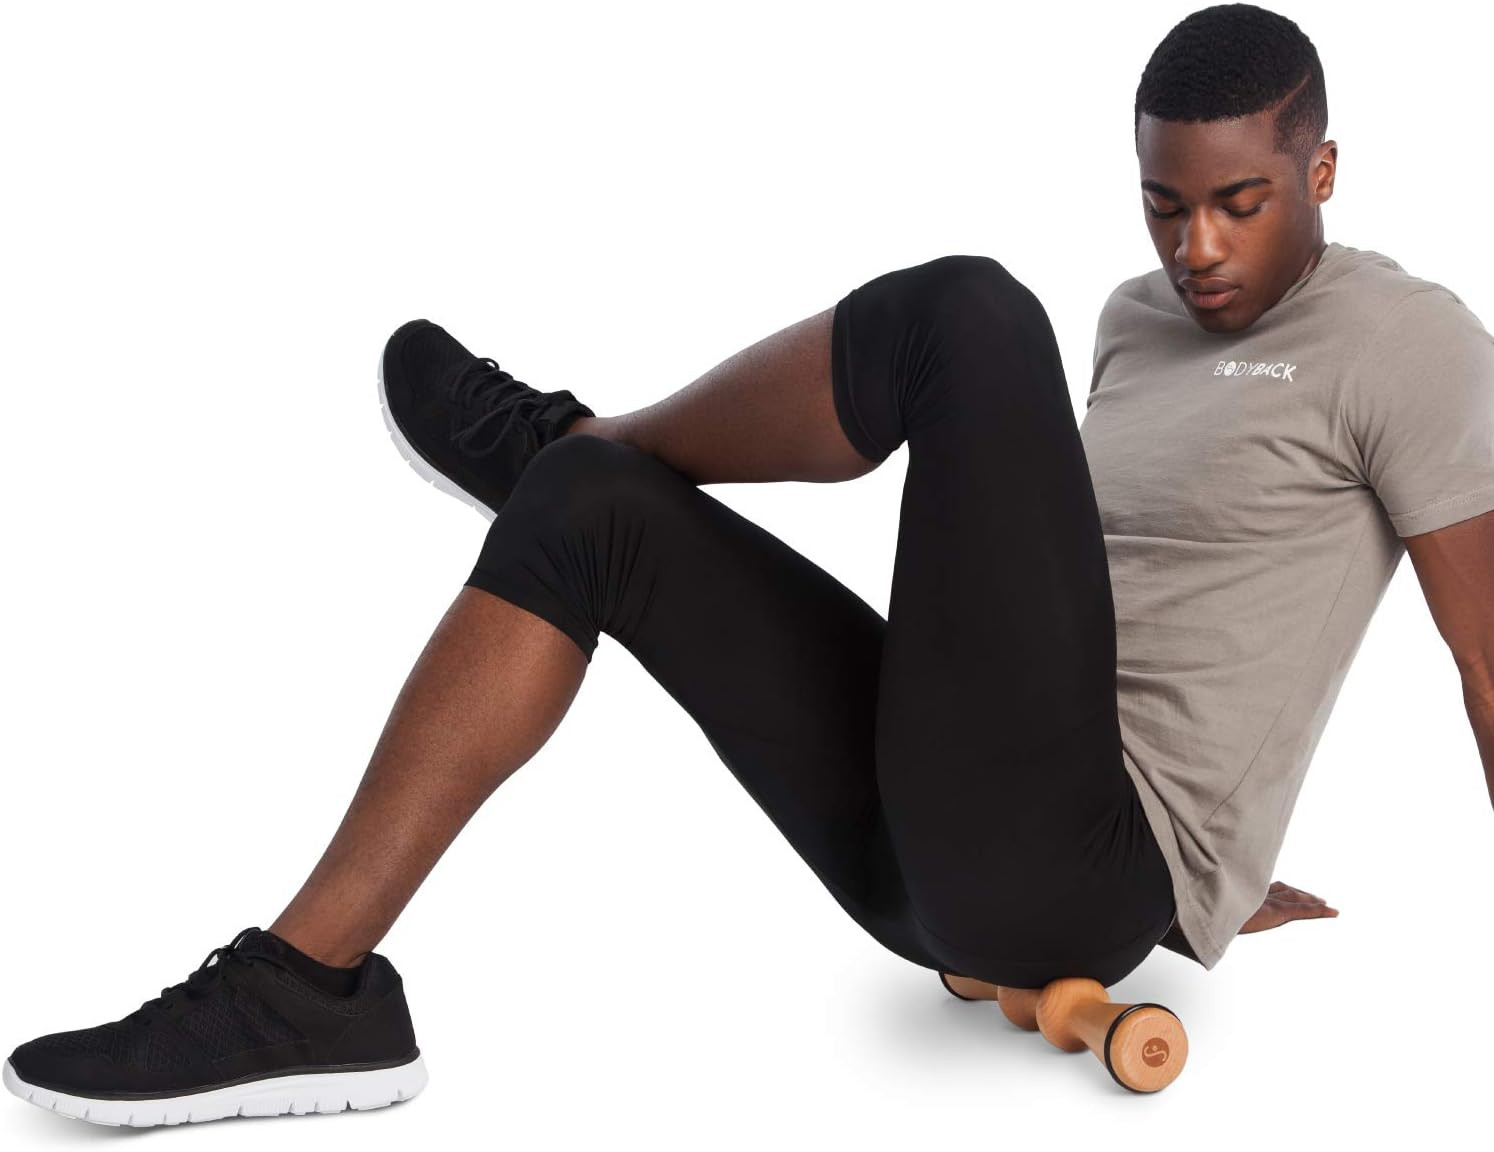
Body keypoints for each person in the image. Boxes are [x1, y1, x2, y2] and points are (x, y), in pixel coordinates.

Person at [7, 1, 1493, 1127]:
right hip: (925, 856)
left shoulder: (1409, 343)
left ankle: (584, 434)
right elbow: (1097, 591)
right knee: (590, 512)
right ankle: (307, 988)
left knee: (969, 317)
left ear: (1322, 170)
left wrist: (1202, 857)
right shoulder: (1135, 319)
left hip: (1081, 873)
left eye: (1241, 203)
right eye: (1164, 206)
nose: (1196, 249)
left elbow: (1485, 658)